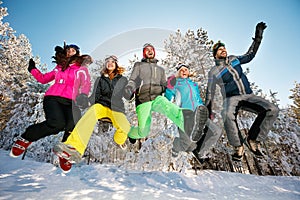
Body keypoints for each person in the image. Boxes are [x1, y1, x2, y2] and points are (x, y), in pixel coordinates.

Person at [205, 22, 279, 161]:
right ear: (215, 55)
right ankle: (238, 147)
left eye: (224, 48)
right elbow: (210, 92)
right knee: (226, 113)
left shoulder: (234, 59)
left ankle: (252, 140)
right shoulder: (214, 72)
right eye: (220, 50)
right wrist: (208, 111)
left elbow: (250, 55)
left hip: (248, 95)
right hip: (231, 98)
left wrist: (258, 37)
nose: (224, 50)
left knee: (272, 109)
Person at [10, 44, 92, 161]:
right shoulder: (59, 67)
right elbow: (43, 79)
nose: (70, 52)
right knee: (56, 124)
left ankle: (65, 152)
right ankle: (26, 138)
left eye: (73, 50)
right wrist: (33, 69)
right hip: (53, 98)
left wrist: (84, 94)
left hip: (71, 102)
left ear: (77, 53)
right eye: (68, 50)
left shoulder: (81, 69)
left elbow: (86, 83)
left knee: (73, 124)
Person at [53, 55, 130, 172]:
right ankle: (73, 146)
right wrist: (85, 99)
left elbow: (127, 94)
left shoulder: (122, 79)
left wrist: (130, 91)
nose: (110, 63)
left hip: (116, 108)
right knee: (91, 112)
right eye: (107, 61)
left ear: (116, 64)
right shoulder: (100, 80)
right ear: (105, 65)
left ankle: (120, 141)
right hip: (101, 106)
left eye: (112, 62)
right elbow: (95, 95)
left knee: (125, 127)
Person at [124, 43, 205, 145]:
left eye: (151, 49)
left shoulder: (160, 70)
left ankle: (190, 129)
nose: (150, 51)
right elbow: (133, 80)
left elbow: (164, 86)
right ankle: (131, 133)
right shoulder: (139, 66)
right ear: (144, 53)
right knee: (143, 131)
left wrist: (170, 83)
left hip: (157, 98)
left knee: (171, 108)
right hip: (143, 100)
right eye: (147, 50)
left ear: (154, 52)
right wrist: (129, 87)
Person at [165, 63, 221, 160]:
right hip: (185, 113)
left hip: (199, 113)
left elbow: (198, 99)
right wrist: (169, 87)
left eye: (186, 69)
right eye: (181, 70)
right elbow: (168, 98)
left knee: (216, 131)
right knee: (187, 144)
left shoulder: (193, 84)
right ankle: (177, 145)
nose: (183, 71)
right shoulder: (176, 83)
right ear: (178, 73)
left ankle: (200, 151)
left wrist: (207, 111)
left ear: (189, 72)